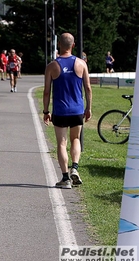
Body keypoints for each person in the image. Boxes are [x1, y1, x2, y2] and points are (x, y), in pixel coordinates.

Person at [43, 32, 92, 189]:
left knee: (62, 143)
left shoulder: (52, 66)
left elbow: (46, 91)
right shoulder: (81, 64)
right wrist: (88, 108)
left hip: (60, 111)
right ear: (73, 45)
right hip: (77, 110)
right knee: (75, 139)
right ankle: (75, 168)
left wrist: (46, 111)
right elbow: (88, 88)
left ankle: (65, 179)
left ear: (59, 45)